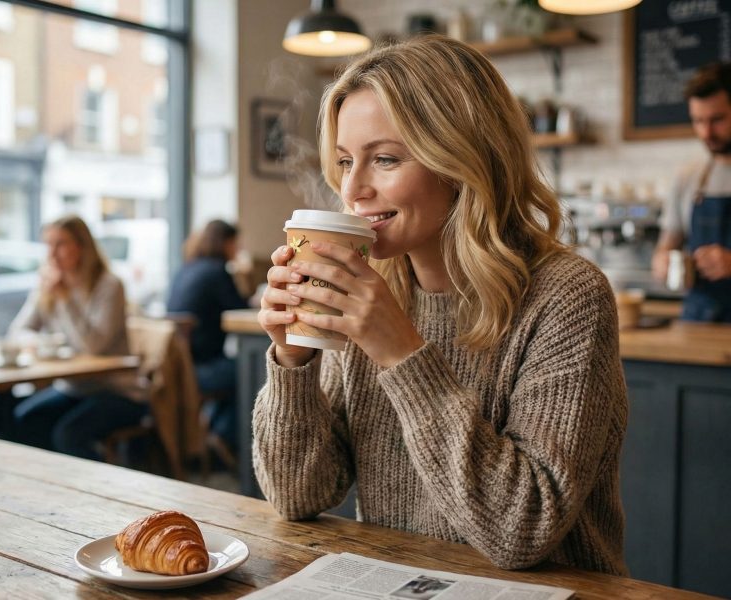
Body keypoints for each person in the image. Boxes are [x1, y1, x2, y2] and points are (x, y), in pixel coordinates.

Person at [253, 35, 628, 576]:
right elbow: (298, 494)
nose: (353, 188)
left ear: (461, 160)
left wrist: (401, 351)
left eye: (384, 159)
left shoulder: (568, 297)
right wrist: (293, 361)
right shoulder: (372, 287)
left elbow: (522, 530)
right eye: (342, 161)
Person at [9, 215, 146, 460]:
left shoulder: (109, 286)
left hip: (118, 391)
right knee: (26, 418)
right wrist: (41, 343)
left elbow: (92, 346)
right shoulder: (48, 285)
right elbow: (18, 331)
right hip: (75, 387)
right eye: (48, 245)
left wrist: (64, 298)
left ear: (81, 246)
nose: (52, 253)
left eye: (60, 244)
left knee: (68, 435)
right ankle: (49, 484)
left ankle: (99, 492)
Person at [652, 62, 731, 322]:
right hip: (699, 320)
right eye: (698, 121)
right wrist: (662, 260)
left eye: (717, 120)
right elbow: (668, 242)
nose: (706, 133)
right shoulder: (688, 177)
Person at [167, 220, 248, 451]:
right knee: (250, 370)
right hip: (198, 370)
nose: (238, 250)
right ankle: (224, 437)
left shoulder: (186, 268)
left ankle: (217, 433)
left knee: (238, 368)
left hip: (176, 368)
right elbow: (239, 308)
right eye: (236, 244)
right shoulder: (217, 271)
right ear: (225, 243)